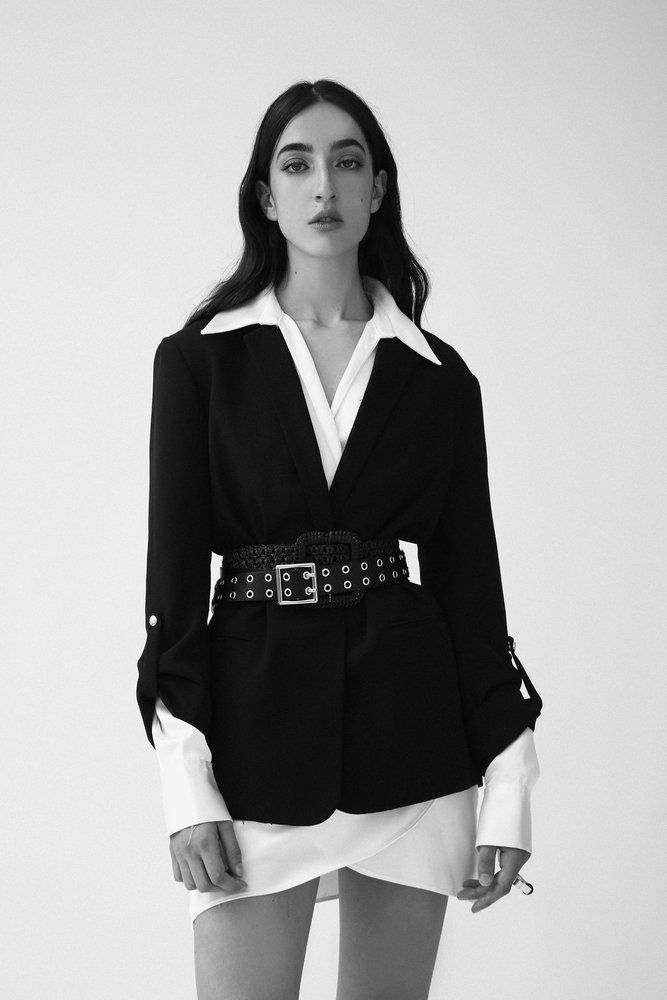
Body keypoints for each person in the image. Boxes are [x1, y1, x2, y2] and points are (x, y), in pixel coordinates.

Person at [136, 78, 543, 1000]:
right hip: (250, 742)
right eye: (297, 164)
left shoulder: (438, 378)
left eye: (347, 162)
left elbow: (472, 594)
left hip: (414, 744)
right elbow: (172, 593)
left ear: (377, 189)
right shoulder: (199, 361)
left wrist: (509, 787)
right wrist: (187, 789)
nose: (323, 185)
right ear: (265, 196)